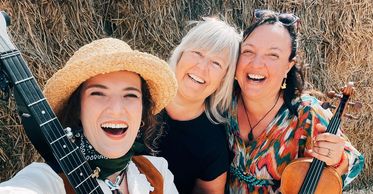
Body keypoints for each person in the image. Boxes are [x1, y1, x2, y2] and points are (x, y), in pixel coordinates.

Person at [0, 38, 179, 194]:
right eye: (98, 94)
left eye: (130, 95)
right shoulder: (48, 179)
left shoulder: (157, 171)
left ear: (142, 111)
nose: (116, 109)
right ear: (78, 109)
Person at [226, 9, 364, 193]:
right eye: (248, 51)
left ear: (288, 66)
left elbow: (354, 164)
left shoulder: (306, 113)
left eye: (273, 55)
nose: (257, 63)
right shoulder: (223, 103)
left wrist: (339, 159)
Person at [156, 17, 241, 194]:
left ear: (224, 79)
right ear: (181, 54)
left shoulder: (213, 144)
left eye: (216, 63)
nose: (202, 68)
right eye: (197, 53)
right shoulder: (138, 100)